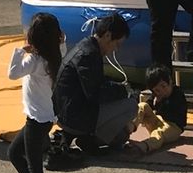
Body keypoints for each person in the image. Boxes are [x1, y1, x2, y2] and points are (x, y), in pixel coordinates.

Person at [7, 13, 65, 173]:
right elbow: (62, 44)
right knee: (14, 153)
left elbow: (12, 73)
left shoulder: (34, 61)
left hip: (36, 120)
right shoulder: (56, 56)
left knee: (34, 167)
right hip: (44, 118)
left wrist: (20, 51)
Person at [52, 12, 133, 152]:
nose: (116, 49)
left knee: (121, 134)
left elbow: (96, 84)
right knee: (131, 106)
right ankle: (91, 140)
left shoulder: (86, 47)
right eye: (117, 44)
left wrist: (117, 88)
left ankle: (83, 136)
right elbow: (96, 94)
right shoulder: (88, 55)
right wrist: (124, 91)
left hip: (66, 112)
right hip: (74, 117)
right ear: (107, 35)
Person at [131, 64, 188, 155]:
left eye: (163, 86)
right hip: (158, 122)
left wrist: (159, 103)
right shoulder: (157, 95)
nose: (161, 91)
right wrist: (150, 106)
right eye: (157, 90)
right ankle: (129, 127)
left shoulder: (178, 94)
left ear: (170, 81)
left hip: (173, 127)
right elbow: (149, 106)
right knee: (143, 105)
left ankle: (145, 146)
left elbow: (173, 113)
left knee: (158, 133)